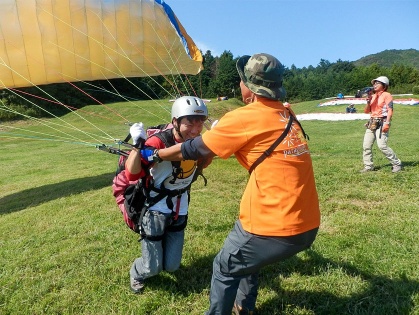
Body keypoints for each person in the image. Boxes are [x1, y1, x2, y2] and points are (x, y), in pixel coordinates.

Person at [155, 53, 321, 314]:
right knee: (246, 261)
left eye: (241, 80)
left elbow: (193, 150)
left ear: (249, 87)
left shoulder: (244, 117)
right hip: (307, 223)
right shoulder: (287, 113)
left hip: (272, 224)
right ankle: (245, 308)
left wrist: (156, 154)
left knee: (224, 266)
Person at [124, 96, 209, 293]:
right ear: (175, 122)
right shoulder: (158, 142)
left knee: (171, 266)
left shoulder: (198, 141)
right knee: (152, 268)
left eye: (200, 122)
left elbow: (201, 165)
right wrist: (138, 145)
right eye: (190, 122)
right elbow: (132, 173)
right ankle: (137, 271)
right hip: (155, 209)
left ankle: (157, 255)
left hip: (180, 207)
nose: (196, 129)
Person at [361, 76, 403, 173]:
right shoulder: (373, 96)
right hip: (372, 122)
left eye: (377, 83)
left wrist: (387, 123)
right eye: (374, 83)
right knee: (366, 146)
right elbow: (367, 111)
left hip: (382, 122)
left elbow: (390, 109)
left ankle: (396, 163)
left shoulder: (386, 95)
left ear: (384, 86)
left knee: (382, 145)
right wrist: (368, 101)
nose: (374, 85)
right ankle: (368, 166)